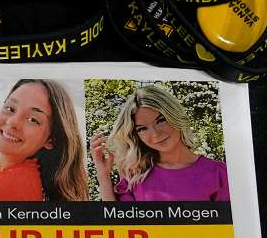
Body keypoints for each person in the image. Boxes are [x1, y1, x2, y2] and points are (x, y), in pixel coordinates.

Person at [90, 84, 229, 202]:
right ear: (136, 136)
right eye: (142, 128)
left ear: (174, 115)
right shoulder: (135, 175)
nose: (155, 134)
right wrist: (103, 175)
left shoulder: (219, 173)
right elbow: (118, 226)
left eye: (161, 120)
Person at [0, 79, 88, 202]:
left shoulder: (10, 185)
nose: (12, 122)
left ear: (51, 140)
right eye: (10, 109)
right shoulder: (19, 176)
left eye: (33, 120)